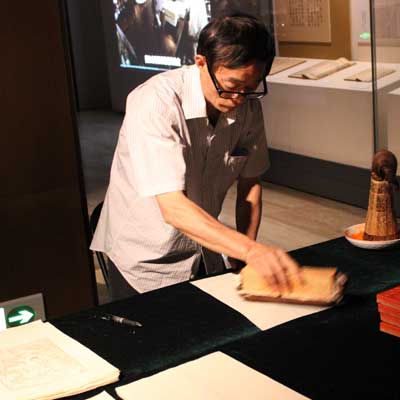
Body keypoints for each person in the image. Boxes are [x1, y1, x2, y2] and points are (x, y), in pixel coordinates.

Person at [91, 13, 301, 301]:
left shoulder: (246, 105)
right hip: (145, 257)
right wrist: (249, 250)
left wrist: (245, 250)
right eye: (232, 84)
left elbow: (250, 183)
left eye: (251, 88)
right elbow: (173, 208)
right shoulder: (156, 102)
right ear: (201, 62)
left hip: (204, 247)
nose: (239, 98)